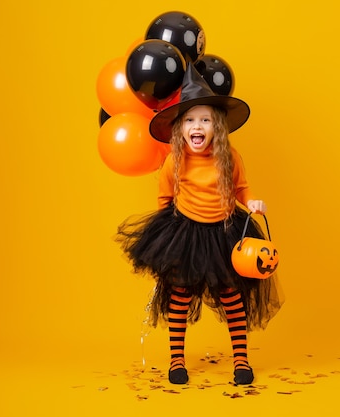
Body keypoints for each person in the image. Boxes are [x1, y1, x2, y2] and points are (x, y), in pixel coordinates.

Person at [116, 64, 283, 385]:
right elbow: (165, 199)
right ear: (179, 128)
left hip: (224, 231)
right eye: (190, 120)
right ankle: (176, 360)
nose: (197, 125)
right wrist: (166, 241)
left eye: (205, 120)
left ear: (217, 127)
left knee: (232, 296)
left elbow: (241, 189)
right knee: (180, 295)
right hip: (187, 231)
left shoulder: (230, 157)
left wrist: (253, 203)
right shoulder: (174, 161)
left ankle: (241, 361)